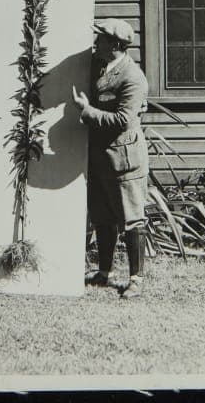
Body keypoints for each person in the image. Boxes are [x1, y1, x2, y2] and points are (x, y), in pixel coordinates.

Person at [72, 18, 149, 299]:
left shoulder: (133, 77)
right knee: (103, 216)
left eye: (101, 39)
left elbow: (123, 119)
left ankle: (136, 278)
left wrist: (87, 111)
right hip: (101, 157)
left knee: (131, 219)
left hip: (124, 159)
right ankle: (105, 272)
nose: (96, 43)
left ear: (115, 45)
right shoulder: (98, 64)